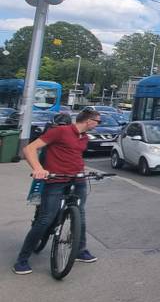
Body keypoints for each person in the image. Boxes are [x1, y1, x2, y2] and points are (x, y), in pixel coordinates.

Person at [13, 108, 102, 275]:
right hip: (56, 180)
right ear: (89, 120)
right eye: (98, 121)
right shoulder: (61, 131)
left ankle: (80, 251)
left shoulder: (84, 138)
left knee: (80, 215)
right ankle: (22, 260)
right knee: (46, 219)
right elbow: (30, 149)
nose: (99, 124)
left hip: (78, 180)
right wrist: (39, 169)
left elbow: (74, 156)